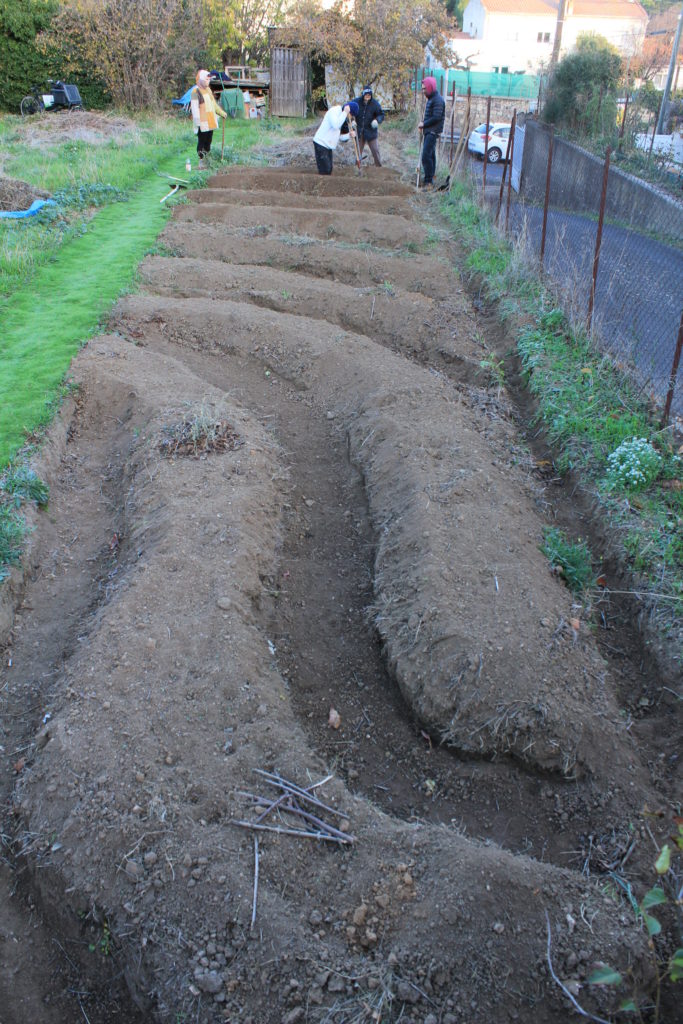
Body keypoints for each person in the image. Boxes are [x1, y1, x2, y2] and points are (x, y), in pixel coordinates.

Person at [190, 70, 227, 169]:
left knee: (208, 142)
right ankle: (201, 161)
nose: (208, 81)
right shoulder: (195, 92)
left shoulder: (209, 90)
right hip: (202, 123)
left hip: (210, 122)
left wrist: (221, 113)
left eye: (209, 79)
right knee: (201, 142)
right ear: (201, 79)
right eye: (206, 79)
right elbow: (194, 109)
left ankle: (207, 161)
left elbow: (214, 105)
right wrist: (198, 124)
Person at [312, 101, 359, 175]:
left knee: (329, 169)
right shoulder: (334, 111)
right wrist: (345, 113)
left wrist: (349, 135)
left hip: (328, 146)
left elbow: (340, 137)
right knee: (325, 171)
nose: (349, 117)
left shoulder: (343, 118)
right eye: (351, 114)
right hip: (321, 143)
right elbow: (336, 125)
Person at [418, 76, 445, 190]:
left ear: (430, 87)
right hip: (429, 131)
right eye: (423, 89)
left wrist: (424, 124)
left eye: (425, 88)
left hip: (433, 131)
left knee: (426, 156)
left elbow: (436, 117)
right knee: (431, 155)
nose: (423, 91)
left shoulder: (437, 100)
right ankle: (431, 177)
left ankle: (428, 182)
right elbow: (430, 116)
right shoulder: (432, 98)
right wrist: (423, 123)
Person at [352, 86, 385, 166]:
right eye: (366, 95)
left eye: (369, 95)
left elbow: (381, 114)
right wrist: (352, 120)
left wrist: (377, 120)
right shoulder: (356, 102)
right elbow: (348, 110)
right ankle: (357, 168)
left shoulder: (375, 104)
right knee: (358, 152)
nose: (368, 97)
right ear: (363, 95)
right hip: (359, 131)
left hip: (371, 132)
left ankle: (379, 168)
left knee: (375, 151)